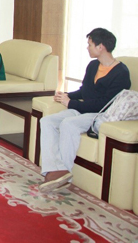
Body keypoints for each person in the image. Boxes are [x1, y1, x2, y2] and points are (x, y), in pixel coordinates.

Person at [38, 28, 131, 193]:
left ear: (101, 47)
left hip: (100, 115)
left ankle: (62, 173)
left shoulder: (121, 73)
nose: (87, 48)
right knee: (47, 121)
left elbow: (104, 104)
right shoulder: (93, 65)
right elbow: (84, 91)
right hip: (84, 109)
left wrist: (71, 103)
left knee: (69, 124)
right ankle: (57, 170)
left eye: (90, 44)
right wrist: (67, 95)